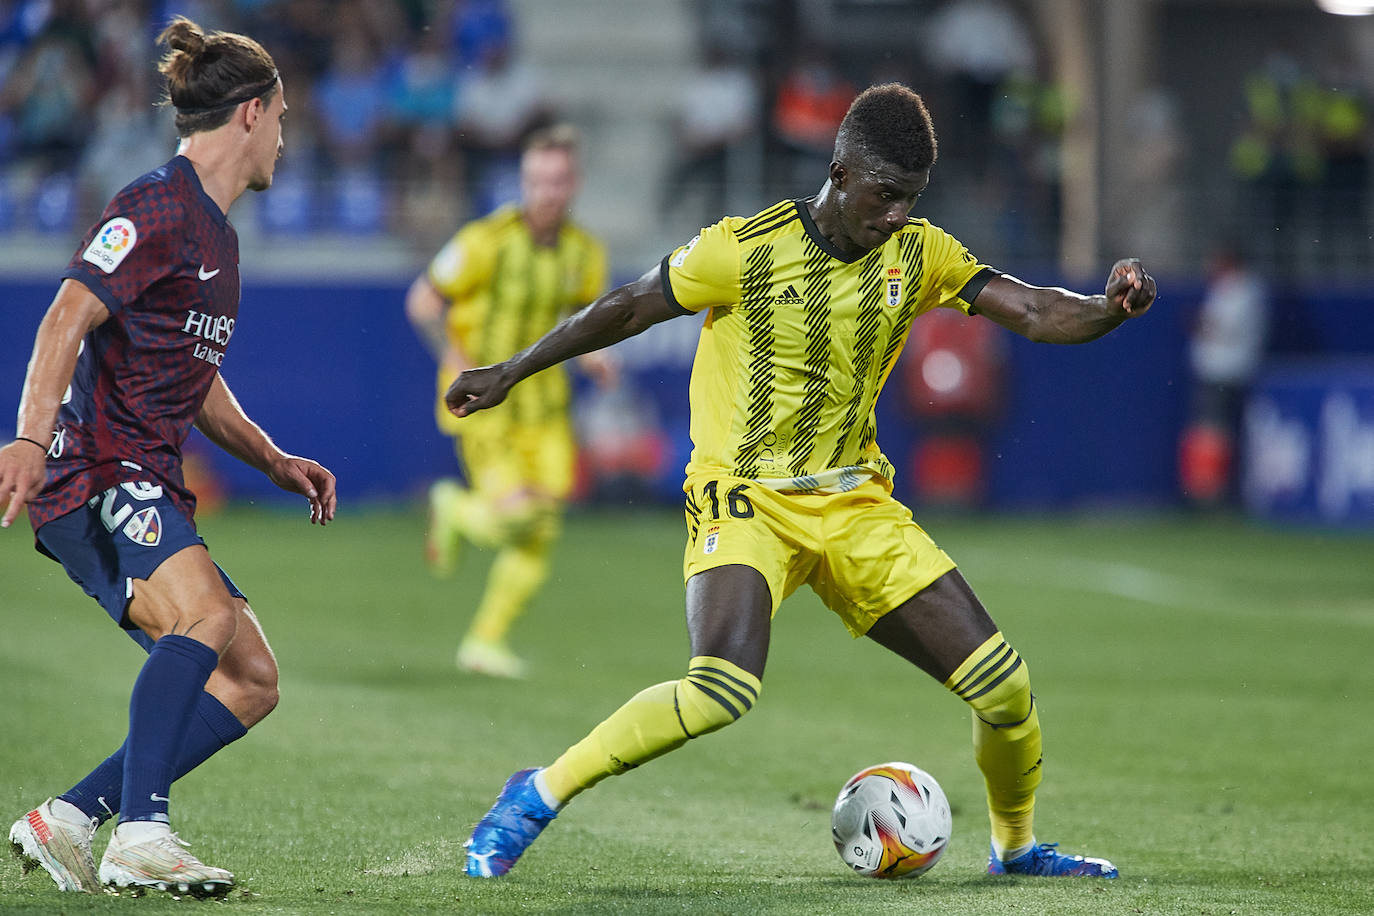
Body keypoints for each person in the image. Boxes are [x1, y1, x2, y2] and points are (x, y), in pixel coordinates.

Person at [449, 83, 1156, 881]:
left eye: (911, 198)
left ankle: (1016, 849)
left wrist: (1109, 307)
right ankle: (535, 794)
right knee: (720, 688)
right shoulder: (743, 249)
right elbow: (626, 307)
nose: (896, 214)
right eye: (886, 195)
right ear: (842, 172)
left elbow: (1031, 310)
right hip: (744, 498)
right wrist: (511, 370)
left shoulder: (920, 253)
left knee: (1006, 691)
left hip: (856, 503)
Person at [1, 17, 336, 897]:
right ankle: (143, 831)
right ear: (253, 115)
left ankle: (70, 818)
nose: (286, 137)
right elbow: (65, 317)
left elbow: (198, 370)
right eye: (285, 117)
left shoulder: (218, 236)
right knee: (207, 621)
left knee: (251, 678)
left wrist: (270, 457)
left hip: (144, 474)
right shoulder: (154, 204)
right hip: (97, 470)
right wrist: (32, 439)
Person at [405, 124, 610, 678]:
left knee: (540, 530)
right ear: (523, 181)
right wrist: (452, 355)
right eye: (537, 180)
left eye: (558, 180)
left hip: (545, 407)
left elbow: (580, 319)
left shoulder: (584, 253)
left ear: (574, 184)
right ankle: (453, 506)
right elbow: (422, 300)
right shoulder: (485, 241)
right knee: (518, 516)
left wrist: (594, 359)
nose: (547, 192)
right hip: (485, 402)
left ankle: (484, 642)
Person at [1178, 242, 1268, 507]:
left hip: (1226, 371)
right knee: (1210, 431)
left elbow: (1222, 327)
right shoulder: (1226, 288)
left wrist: (1199, 323)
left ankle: (1211, 495)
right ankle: (1206, 492)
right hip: (1215, 370)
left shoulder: (1244, 290)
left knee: (1214, 433)